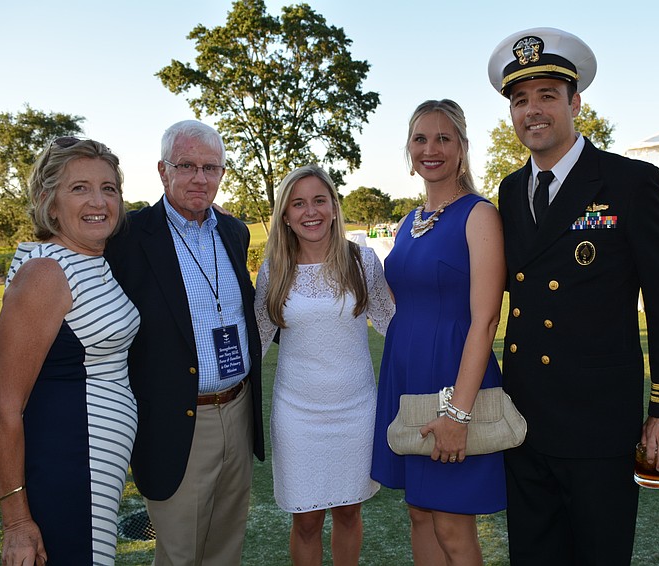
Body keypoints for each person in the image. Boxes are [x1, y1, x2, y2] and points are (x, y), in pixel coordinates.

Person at [487, 27, 659, 564]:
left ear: (575, 102)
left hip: (598, 424)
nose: (532, 111)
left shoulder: (628, 182)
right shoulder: (511, 191)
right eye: (520, 100)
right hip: (525, 418)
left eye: (546, 96)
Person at [104, 120, 264, 565]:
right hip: (178, 417)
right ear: (162, 170)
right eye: (187, 165)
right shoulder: (129, 237)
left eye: (210, 167)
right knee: (180, 554)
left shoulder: (234, 233)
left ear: (222, 173)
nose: (200, 177)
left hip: (238, 409)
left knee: (225, 548)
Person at [0, 137, 140, 565]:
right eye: (79, 188)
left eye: (108, 188)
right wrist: (17, 522)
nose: (98, 200)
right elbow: (3, 406)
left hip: (98, 471)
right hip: (68, 466)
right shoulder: (45, 273)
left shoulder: (93, 258)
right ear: (48, 202)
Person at [371, 99, 506, 566]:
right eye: (420, 139)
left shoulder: (479, 215)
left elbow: (485, 320)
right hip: (407, 379)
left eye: (444, 138)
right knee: (419, 514)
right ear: (408, 150)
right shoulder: (409, 222)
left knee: (451, 522)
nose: (431, 149)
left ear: (463, 149)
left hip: (453, 381)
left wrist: (458, 414)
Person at [254, 164, 395, 565]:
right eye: (298, 203)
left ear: (334, 206)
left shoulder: (362, 261)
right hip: (297, 414)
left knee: (350, 511)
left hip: (356, 410)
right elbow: (257, 342)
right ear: (285, 214)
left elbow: (392, 325)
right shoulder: (273, 270)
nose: (309, 211)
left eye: (319, 200)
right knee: (307, 521)